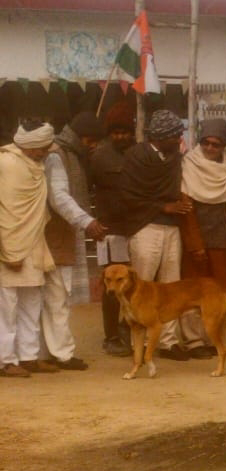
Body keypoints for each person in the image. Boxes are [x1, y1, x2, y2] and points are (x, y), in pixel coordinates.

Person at [118, 109, 194, 363]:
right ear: (161, 136)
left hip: (172, 228)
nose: (179, 139)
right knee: (140, 285)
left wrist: (174, 208)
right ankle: (138, 342)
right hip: (145, 226)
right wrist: (163, 207)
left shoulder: (175, 158)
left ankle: (168, 342)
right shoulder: (135, 157)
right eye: (175, 135)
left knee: (171, 286)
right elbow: (127, 196)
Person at [39, 113, 108, 372]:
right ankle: (62, 354)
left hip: (60, 233)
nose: (93, 146)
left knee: (52, 297)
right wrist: (86, 221)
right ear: (82, 137)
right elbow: (58, 197)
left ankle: (47, 352)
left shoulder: (69, 154)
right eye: (91, 141)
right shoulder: (57, 156)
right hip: (56, 235)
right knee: (58, 295)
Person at [180, 119, 226, 356]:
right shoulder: (189, 165)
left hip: (224, 240)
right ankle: (194, 342)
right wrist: (195, 244)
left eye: (216, 144)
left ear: (225, 145)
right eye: (206, 143)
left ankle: (216, 340)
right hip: (196, 240)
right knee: (193, 292)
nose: (210, 148)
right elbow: (186, 208)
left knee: (220, 292)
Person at [0, 123, 56, 377]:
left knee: (32, 303)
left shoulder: (37, 166)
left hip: (33, 241)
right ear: (27, 145)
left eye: (46, 148)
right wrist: (7, 250)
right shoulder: (4, 163)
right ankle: (5, 361)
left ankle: (29, 356)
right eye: (40, 148)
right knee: (6, 308)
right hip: (7, 245)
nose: (44, 152)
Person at [89, 105, 136, 357]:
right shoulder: (98, 156)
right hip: (109, 231)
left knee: (134, 284)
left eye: (125, 132)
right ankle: (111, 337)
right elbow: (85, 189)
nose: (120, 137)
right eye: (116, 132)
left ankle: (128, 328)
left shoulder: (140, 153)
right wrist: (90, 222)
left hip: (137, 228)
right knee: (111, 287)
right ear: (109, 133)